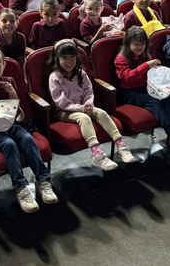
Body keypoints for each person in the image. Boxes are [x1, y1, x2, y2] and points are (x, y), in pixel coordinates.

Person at [0, 44, 55, 212]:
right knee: (9, 144)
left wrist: (13, 94)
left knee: (28, 138)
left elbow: (16, 108)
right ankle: (22, 188)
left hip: (12, 123)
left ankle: (43, 180)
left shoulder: (8, 81)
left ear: (4, 66)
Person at [46, 38, 137, 169]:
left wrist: (88, 104)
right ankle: (97, 155)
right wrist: (81, 109)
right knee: (84, 118)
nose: (68, 61)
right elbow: (60, 101)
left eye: (72, 57)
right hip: (64, 111)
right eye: (64, 57)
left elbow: (89, 91)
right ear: (57, 59)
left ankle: (121, 145)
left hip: (83, 106)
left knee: (101, 113)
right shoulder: (54, 77)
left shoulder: (81, 74)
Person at [115, 26, 170, 143]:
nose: (140, 47)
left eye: (142, 44)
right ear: (128, 44)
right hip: (128, 91)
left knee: (166, 95)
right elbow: (127, 79)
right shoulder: (121, 58)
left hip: (145, 87)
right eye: (136, 44)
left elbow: (152, 74)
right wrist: (146, 66)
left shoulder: (146, 56)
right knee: (154, 101)